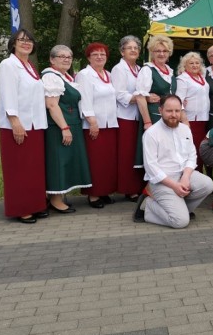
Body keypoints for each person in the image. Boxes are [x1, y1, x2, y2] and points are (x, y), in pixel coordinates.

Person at [133, 95, 213, 228]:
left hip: (182, 175)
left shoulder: (185, 129)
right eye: (169, 111)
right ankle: (148, 207)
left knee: (207, 185)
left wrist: (186, 177)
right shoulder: (151, 134)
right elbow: (151, 167)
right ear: (160, 110)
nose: (174, 115)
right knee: (180, 222)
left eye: (177, 111)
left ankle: (182, 210)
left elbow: (192, 155)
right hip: (162, 181)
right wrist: (174, 186)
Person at [0, 29, 49, 223]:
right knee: (18, 169)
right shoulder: (8, 65)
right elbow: (8, 94)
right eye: (21, 40)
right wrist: (15, 121)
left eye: (29, 40)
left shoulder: (29, 66)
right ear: (13, 43)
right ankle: (21, 208)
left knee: (33, 169)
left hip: (35, 124)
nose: (26, 43)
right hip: (18, 125)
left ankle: (36, 204)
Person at [42, 45, 92, 214]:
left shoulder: (65, 77)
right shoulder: (51, 77)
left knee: (66, 161)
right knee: (59, 161)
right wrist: (64, 127)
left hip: (71, 124)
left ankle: (59, 195)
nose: (66, 59)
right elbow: (51, 104)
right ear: (52, 59)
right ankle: (55, 199)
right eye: (61, 56)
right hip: (59, 126)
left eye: (69, 57)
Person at [75, 42, 118, 208]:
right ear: (88, 57)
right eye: (95, 54)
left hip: (110, 124)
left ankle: (104, 191)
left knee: (107, 161)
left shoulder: (108, 74)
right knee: (95, 161)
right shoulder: (85, 75)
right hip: (94, 125)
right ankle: (93, 195)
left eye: (103, 54)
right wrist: (92, 121)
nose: (100, 57)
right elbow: (84, 100)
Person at [111, 35, 146, 202]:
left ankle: (138, 186)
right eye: (129, 48)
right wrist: (141, 98)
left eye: (136, 48)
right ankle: (128, 188)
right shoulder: (119, 69)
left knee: (137, 152)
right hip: (125, 117)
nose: (133, 50)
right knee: (127, 154)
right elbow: (120, 94)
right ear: (122, 51)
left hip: (138, 116)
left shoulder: (140, 69)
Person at [135, 35, 175, 167]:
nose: (162, 54)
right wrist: (147, 122)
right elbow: (140, 97)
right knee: (154, 153)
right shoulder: (147, 70)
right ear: (152, 52)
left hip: (169, 118)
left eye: (165, 51)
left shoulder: (170, 71)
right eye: (158, 51)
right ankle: (151, 186)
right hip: (154, 117)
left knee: (167, 153)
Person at [175, 52, 210, 171]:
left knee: (200, 149)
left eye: (197, 63)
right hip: (190, 120)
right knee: (191, 150)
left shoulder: (202, 77)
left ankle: (199, 175)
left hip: (203, 119)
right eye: (191, 63)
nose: (195, 65)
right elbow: (179, 101)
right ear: (185, 65)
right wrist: (184, 120)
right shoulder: (182, 79)